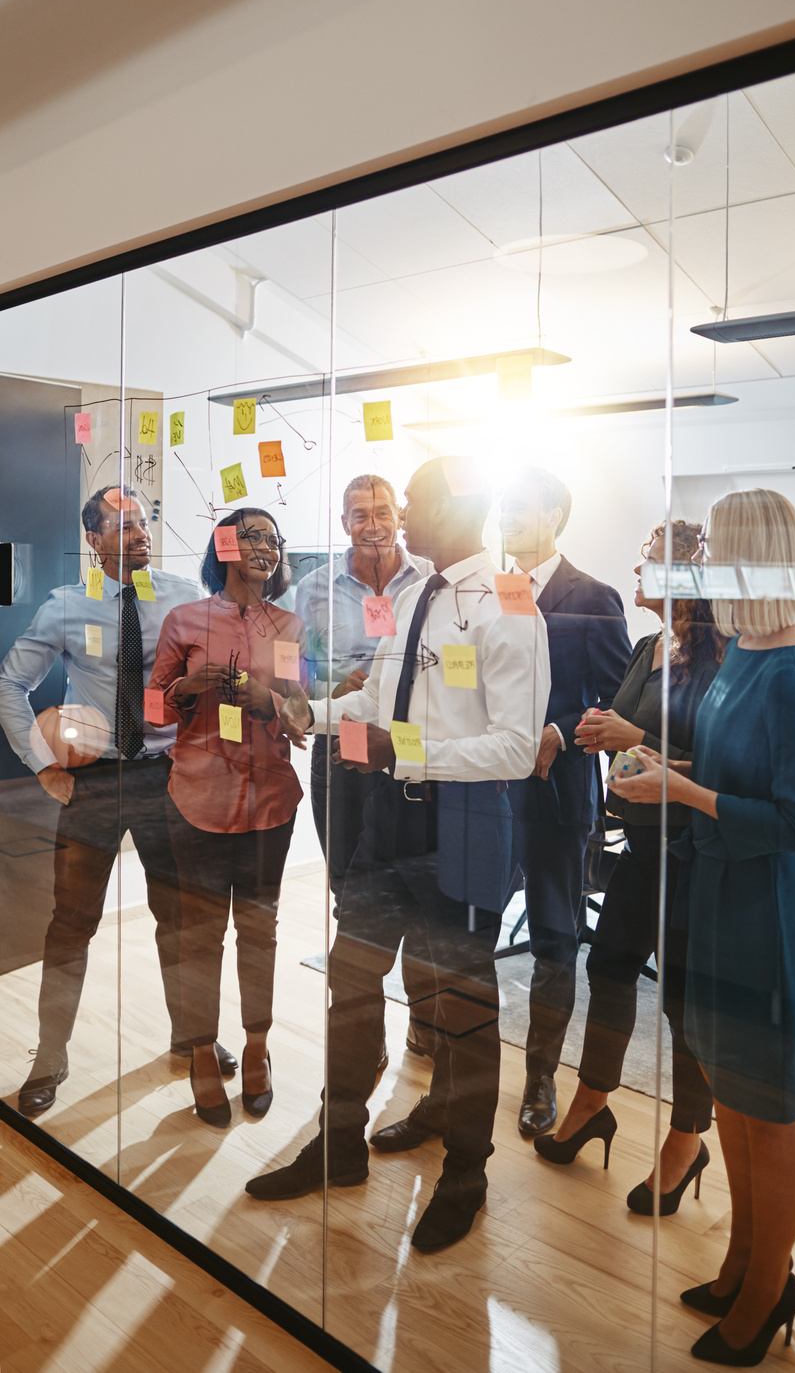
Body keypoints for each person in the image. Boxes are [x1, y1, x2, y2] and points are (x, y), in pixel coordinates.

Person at [244, 456, 550, 1253]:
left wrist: (400, 755)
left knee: (463, 1012)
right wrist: (308, 713)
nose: (400, 513)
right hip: (387, 825)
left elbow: (515, 747)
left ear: (463, 504)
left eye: (413, 500)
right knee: (352, 983)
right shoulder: (409, 594)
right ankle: (338, 1145)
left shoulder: (509, 600)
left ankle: (467, 1175)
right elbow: (376, 701)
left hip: (464, 829)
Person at [613, 489, 795, 1366]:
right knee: (736, 1101)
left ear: (755, 555)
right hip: (716, 896)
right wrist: (668, 765)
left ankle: (768, 1284)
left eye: (715, 553)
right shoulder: (743, 650)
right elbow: (730, 767)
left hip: (769, 913)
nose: (697, 571)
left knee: (771, 1112)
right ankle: (747, 1263)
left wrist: (685, 791)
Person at [0, 486, 238, 1117]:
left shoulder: (185, 596)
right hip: (95, 785)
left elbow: (227, 670)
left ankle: (194, 1038)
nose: (139, 533)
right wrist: (43, 766)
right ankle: (51, 1055)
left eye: (144, 522)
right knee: (72, 923)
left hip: (169, 779)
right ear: (94, 540)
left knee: (181, 920)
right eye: (123, 525)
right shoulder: (66, 608)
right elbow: (10, 682)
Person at [536, 520, 724, 1217]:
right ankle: (591, 1102)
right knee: (608, 968)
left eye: (650, 563)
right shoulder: (647, 648)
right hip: (643, 847)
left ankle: (685, 1140)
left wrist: (631, 737)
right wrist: (595, 734)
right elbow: (621, 739)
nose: (639, 572)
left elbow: (722, 768)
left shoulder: (726, 657)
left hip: (698, 854)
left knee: (684, 1005)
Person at [149, 508, 306, 1128]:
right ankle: (199, 1055)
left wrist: (269, 699)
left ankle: (258, 1046)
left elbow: (301, 714)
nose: (267, 546)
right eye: (253, 536)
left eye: (274, 538)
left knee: (260, 930)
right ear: (225, 547)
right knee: (200, 934)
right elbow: (152, 708)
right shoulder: (183, 619)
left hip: (270, 801)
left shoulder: (289, 625)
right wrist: (189, 688)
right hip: (197, 799)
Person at [497, 467, 630, 1137]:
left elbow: (617, 700)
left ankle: (540, 1074)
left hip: (556, 799)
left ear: (552, 513)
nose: (505, 515)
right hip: (487, 797)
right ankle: (446, 1059)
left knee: (554, 940)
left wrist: (561, 730)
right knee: (464, 928)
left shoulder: (594, 596)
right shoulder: (492, 592)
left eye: (518, 503)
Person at [294, 473, 432, 1060]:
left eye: (381, 512)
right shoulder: (315, 587)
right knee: (349, 887)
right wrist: (329, 683)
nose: (371, 524)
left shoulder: (431, 578)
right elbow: (294, 669)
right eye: (358, 514)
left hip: (411, 744)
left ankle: (427, 1021)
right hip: (343, 736)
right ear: (342, 521)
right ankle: (364, 1037)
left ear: (398, 516)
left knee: (424, 893)